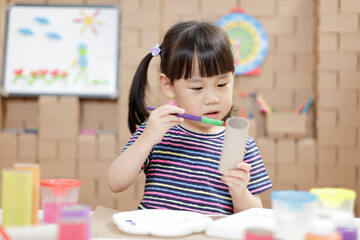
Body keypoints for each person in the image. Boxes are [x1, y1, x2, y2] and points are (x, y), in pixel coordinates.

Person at [108, 21, 272, 215]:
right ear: (168, 86)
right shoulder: (157, 130)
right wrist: (147, 139)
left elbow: (255, 214)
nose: (213, 98)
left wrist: (240, 192)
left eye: (222, 84)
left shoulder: (240, 143)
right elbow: (115, 183)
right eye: (197, 88)